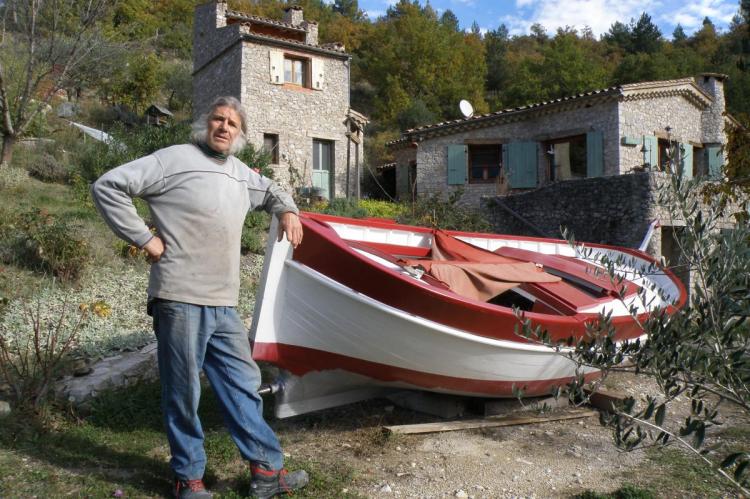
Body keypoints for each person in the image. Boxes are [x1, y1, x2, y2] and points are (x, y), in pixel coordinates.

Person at [91, 96, 308, 499]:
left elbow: (273, 189)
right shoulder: (173, 159)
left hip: (223, 303)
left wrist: (288, 211)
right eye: (218, 119)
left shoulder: (242, 174)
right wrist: (144, 238)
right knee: (184, 391)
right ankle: (187, 479)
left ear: (241, 135)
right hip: (179, 296)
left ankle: (266, 473)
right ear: (205, 124)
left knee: (243, 384)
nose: (224, 127)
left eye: (233, 124)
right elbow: (108, 185)